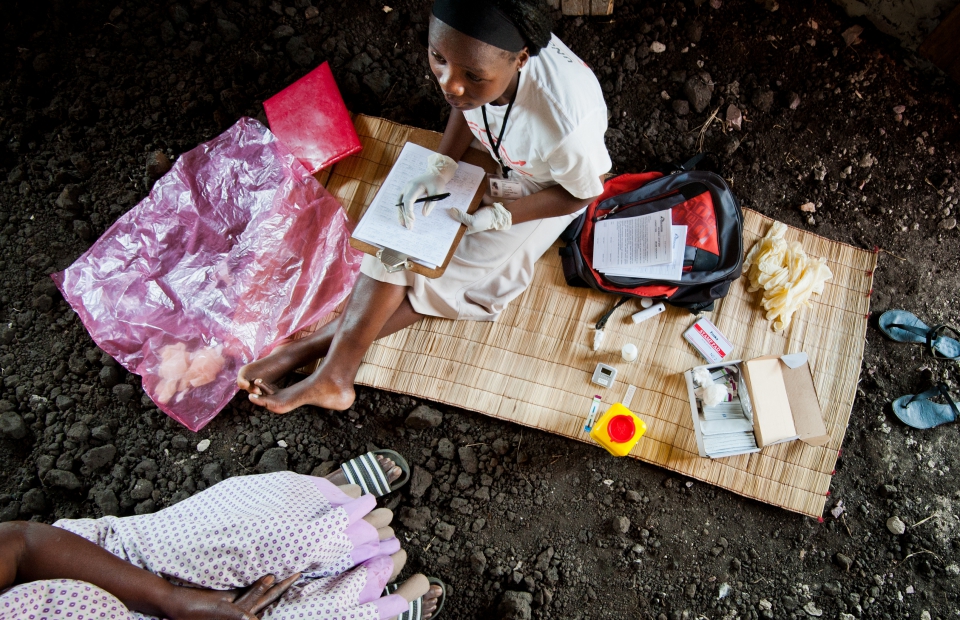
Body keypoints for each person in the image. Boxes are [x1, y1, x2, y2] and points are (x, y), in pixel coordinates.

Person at [237, 0, 611, 413]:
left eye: (471, 75)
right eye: (438, 58)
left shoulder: (563, 127)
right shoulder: (478, 63)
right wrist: (441, 166)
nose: (449, 83)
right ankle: (334, 375)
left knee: (457, 279)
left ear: (521, 60)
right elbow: (465, 105)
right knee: (398, 231)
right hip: (498, 148)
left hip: (543, 185)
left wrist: (503, 215)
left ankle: (310, 348)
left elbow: (583, 192)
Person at [0, 455, 443, 620]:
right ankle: (372, 593)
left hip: (117, 566)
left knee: (264, 536)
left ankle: (319, 496)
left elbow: (20, 545)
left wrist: (171, 600)